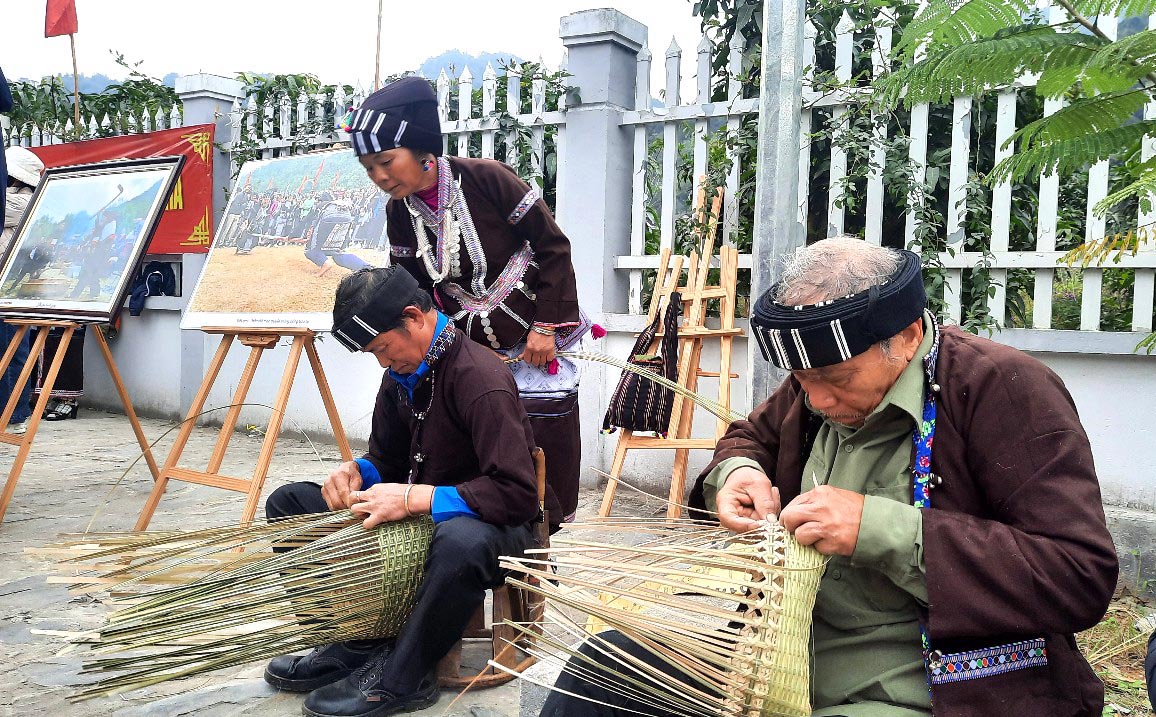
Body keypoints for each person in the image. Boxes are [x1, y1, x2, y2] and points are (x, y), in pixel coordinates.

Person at [541, 237, 1119, 716]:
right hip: (777, 661)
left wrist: (881, 529)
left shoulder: (1003, 389)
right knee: (598, 669)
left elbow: (1079, 574)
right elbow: (748, 439)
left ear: (907, 337)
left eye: (837, 380)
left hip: (924, 688)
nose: (815, 398)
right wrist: (736, 475)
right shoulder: (819, 379)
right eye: (801, 379)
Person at [262, 265, 540, 717]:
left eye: (382, 349)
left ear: (413, 317)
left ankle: (405, 676)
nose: (383, 363)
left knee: (460, 540)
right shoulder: (401, 374)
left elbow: (516, 494)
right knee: (290, 503)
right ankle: (352, 644)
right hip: (420, 522)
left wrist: (416, 499)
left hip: (494, 528)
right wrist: (358, 473)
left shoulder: (479, 378)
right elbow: (388, 458)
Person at [342, 76, 588, 527]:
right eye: (368, 168)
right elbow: (413, 288)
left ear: (421, 149)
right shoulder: (399, 212)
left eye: (386, 161)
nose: (379, 177)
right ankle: (476, 533)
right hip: (468, 344)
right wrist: (451, 350)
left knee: (539, 438)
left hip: (534, 336)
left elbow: (553, 247)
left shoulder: (487, 179)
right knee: (474, 436)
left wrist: (545, 327)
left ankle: (538, 536)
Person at [0, 147, 45, 434]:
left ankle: (14, 415)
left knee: (12, 352)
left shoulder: (21, 201)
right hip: (10, 287)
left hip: (9, 289)